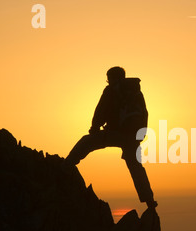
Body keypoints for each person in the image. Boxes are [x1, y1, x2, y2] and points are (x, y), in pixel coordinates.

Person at [65, 67, 157, 210]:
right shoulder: (136, 92)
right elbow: (144, 113)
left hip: (114, 133)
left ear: (111, 78)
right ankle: (149, 200)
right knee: (135, 166)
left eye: (109, 78)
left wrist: (95, 128)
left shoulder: (111, 91)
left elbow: (101, 110)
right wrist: (139, 136)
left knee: (86, 141)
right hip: (133, 137)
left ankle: (67, 164)